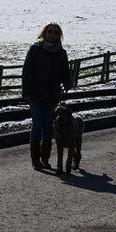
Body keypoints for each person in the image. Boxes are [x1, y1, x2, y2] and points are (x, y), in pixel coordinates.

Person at [22, 23, 72, 171]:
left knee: (48, 127)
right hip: (35, 94)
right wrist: (25, 91)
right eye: (50, 31)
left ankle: (45, 159)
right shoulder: (36, 49)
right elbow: (26, 71)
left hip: (52, 95)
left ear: (59, 35)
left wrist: (67, 83)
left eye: (56, 32)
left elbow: (65, 71)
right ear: (44, 33)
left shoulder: (61, 53)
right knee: (37, 126)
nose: (52, 34)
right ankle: (35, 160)